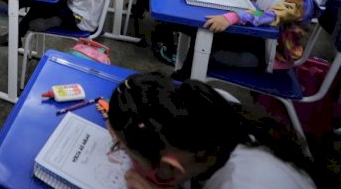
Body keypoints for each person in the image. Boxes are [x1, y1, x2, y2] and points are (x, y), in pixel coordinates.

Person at [107, 73, 317, 189]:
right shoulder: (207, 107)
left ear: (170, 169)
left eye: (127, 152)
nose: (124, 156)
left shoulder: (241, 183)